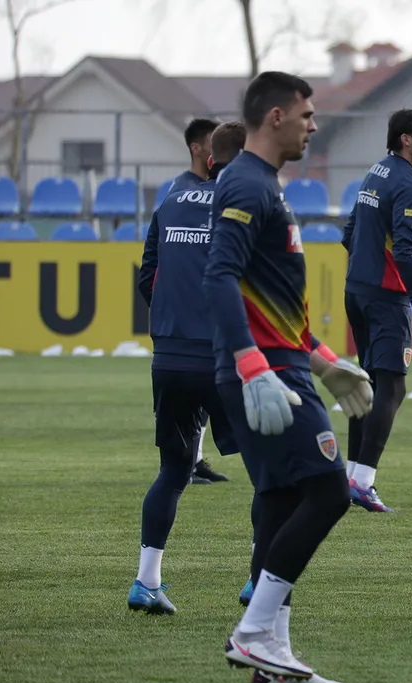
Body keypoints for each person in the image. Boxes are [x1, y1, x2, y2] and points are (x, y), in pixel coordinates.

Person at [203, 70, 373, 683]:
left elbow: (271, 298)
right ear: (275, 116)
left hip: (285, 365)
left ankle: (271, 657)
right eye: (306, 115)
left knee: (279, 501)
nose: (313, 126)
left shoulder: (263, 184)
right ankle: (252, 633)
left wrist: (323, 361)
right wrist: (252, 365)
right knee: (329, 492)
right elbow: (219, 278)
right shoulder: (247, 183)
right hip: (267, 372)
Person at [127, 121, 248, 616]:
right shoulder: (243, 202)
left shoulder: (171, 199)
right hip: (222, 355)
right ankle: (262, 578)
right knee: (270, 470)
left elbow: (147, 276)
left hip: (170, 354)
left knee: (173, 471)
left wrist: (172, 319)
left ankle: (146, 581)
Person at [340, 108, 412, 513]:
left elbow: (349, 233)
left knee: (368, 383)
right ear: (406, 139)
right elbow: (404, 248)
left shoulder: (376, 172)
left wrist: (365, 267)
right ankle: (363, 482)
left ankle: (350, 477)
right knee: (393, 387)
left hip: (357, 289)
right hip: (386, 297)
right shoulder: (408, 182)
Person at [164, 116, 227, 484]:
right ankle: (184, 462)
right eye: (211, 142)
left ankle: (196, 458)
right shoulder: (180, 190)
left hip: (205, 314)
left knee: (203, 393)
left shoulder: (209, 189)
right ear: (196, 148)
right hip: (189, 314)